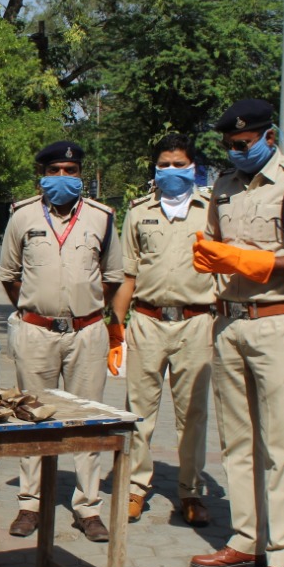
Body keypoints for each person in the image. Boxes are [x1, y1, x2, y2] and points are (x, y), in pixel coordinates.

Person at [189, 98, 284, 567]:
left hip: (276, 323)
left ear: (268, 137)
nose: (235, 151)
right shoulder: (224, 186)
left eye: (243, 144)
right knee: (237, 443)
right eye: (229, 144)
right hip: (229, 323)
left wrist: (253, 262)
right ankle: (246, 540)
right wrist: (210, 257)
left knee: (278, 447)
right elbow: (210, 244)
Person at [0, 141, 123, 542]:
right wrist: (37, 310)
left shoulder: (102, 218)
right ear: (42, 174)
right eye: (55, 170)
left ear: (81, 174)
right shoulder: (21, 216)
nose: (63, 178)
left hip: (87, 333)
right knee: (33, 417)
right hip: (36, 332)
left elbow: (113, 275)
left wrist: (93, 314)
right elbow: (8, 276)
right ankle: (30, 504)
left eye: (71, 170)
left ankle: (87, 508)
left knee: (89, 420)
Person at [109, 134, 215, 527]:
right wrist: (116, 327)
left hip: (196, 322)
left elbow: (224, 269)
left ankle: (191, 491)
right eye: (164, 164)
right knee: (139, 412)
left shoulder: (212, 211)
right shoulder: (139, 212)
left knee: (193, 413)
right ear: (155, 168)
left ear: (193, 167)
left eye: (179, 164)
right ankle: (136, 488)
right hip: (148, 322)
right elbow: (128, 274)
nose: (172, 170)